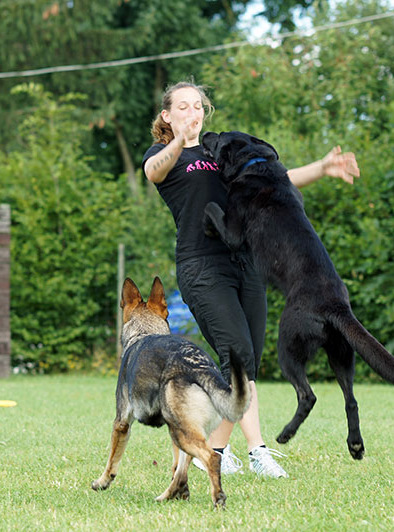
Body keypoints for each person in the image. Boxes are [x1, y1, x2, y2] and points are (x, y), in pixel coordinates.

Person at [141, 81, 360, 478]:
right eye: (184, 107)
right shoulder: (163, 156)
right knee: (237, 355)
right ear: (168, 116)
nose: (193, 113)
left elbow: (274, 179)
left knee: (248, 364)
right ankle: (257, 450)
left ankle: (218, 451)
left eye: (198, 107)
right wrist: (181, 142)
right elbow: (152, 173)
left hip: (246, 263)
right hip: (202, 267)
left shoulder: (219, 152)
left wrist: (323, 168)